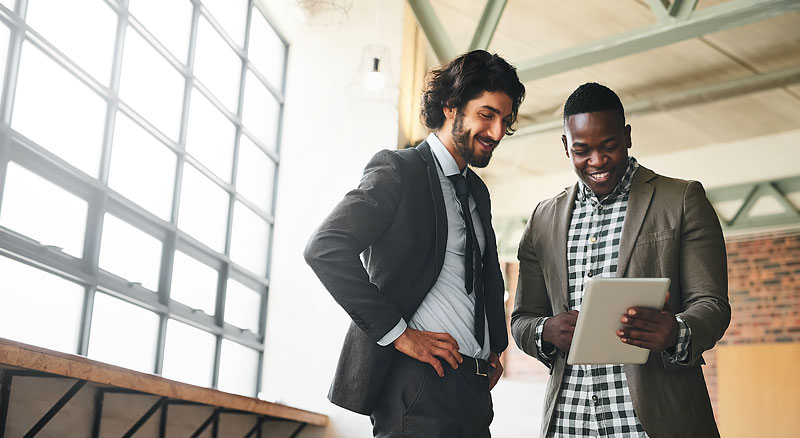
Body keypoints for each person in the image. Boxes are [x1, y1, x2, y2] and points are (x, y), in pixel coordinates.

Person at [304, 50, 525, 437]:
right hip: (420, 385)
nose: (495, 132)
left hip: (474, 391)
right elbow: (326, 246)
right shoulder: (398, 170)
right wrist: (400, 334)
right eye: (486, 114)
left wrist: (495, 347)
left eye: (504, 121)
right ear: (451, 107)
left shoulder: (477, 191)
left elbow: (485, 275)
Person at [511, 82, 730, 438]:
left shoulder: (682, 199)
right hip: (570, 421)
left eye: (609, 146)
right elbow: (522, 319)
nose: (597, 161)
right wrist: (545, 331)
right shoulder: (542, 219)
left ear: (627, 137)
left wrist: (676, 330)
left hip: (655, 421)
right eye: (582, 150)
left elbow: (712, 304)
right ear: (566, 147)